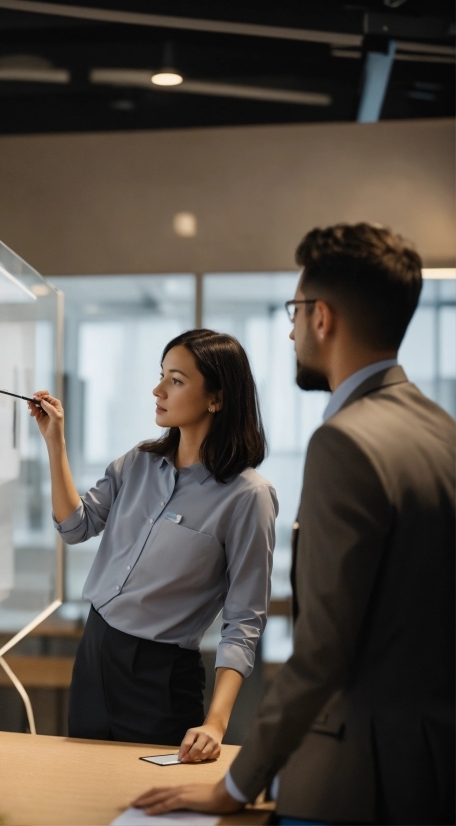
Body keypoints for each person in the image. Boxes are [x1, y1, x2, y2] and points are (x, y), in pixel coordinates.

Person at [132, 223, 455, 824]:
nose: (290, 328)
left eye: (296, 310)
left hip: (357, 783)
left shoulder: (346, 443)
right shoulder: (441, 429)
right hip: (433, 769)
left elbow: (322, 654)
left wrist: (234, 786)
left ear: (323, 318)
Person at [29, 329, 278, 761]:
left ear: (216, 398)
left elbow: (243, 622)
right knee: (81, 789)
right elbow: (75, 527)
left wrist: (216, 723)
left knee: (147, 807)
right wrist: (56, 443)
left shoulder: (247, 497)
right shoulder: (137, 463)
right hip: (95, 653)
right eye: (161, 375)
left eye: (176, 381)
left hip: (160, 679)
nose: (157, 390)